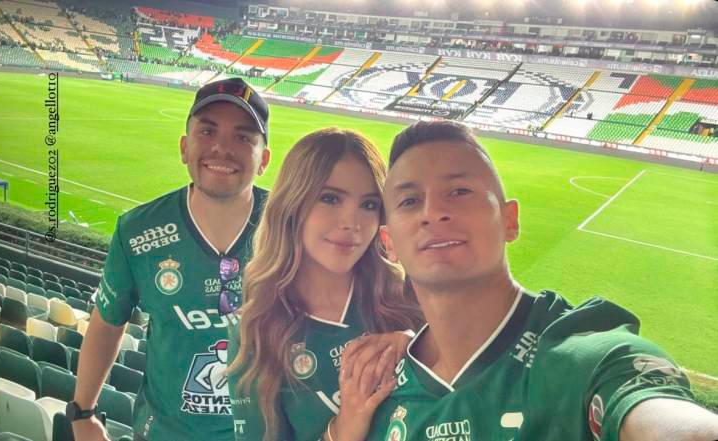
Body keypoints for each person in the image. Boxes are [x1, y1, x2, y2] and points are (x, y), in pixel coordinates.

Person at [339, 120, 718, 441]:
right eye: (409, 201)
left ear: (510, 220)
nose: (434, 211)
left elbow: (657, 412)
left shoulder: (581, 358)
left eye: (459, 191)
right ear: (388, 244)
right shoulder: (377, 388)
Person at [71, 77, 271, 441]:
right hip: (165, 432)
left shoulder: (294, 226)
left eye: (243, 137)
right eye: (207, 132)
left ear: (264, 160)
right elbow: (107, 320)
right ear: (184, 147)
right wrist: (82, 412)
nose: (222, 149)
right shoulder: (137, 231)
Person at [227, 128, 424, 441]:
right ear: (292, 204)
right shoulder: (256, 330)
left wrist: (420, 343)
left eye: (369, 204)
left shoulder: (409, 293)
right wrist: (343, 430)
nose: (352, 222)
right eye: (330, 198)